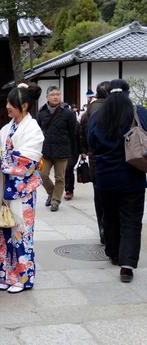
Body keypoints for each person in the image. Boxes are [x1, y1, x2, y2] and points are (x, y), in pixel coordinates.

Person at [88, 79, 147, 283]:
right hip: (133, 175)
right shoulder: (138, 112)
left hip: (105, 176)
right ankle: (127, 265)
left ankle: (113, 253)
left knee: (110, 216)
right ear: (128, 93)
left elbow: (91, 143)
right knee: (131, 220)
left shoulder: (97, 116)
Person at [0, 83, 44, 293]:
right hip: (7, 189)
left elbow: (28, 160)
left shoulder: (33, 129)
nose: (7, 107)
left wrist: (0, 158)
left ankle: (23, 278)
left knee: (21, 233)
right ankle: (5, 274)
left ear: (24, 105)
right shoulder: (8, 127)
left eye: (11, 103)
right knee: (3, 231)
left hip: (22, 191)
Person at [80, 81, 110, 244]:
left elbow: (82, 130)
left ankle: (102, 229)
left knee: (98, 194)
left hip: (94, 156)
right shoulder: (115, 108)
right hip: (114, 156)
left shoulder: (90, 109)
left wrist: (84, 149)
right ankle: (110, 229)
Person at [37, 86, 76, 211]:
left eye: (58, 94)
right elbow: (37, 131)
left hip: (62, 149)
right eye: (53, 94)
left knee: (60, 177)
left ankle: (55, 200)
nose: (55, 97)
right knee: (42, 175)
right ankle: (52, 193)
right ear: (47, 97)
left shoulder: (68, 113)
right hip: (46, 150)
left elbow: (73, 131)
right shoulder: (41, 112)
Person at [64, 104, 82, 200]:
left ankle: (69, 189)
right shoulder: (60, 124)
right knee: (64, 171)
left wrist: (83, 151)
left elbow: (80, 138)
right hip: (62, 150)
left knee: (69, 168)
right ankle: (65, 188)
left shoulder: (76, 124)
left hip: (74, 150)